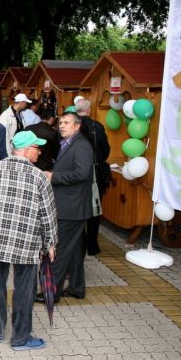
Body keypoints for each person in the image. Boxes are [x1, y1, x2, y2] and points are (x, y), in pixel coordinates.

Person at [0, 131, 57, 350]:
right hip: (27, 244)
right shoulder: (39, 177)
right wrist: (50, 243)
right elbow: (47, 214)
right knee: (24, 290)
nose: (39, 151)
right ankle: (20, 339)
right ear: (27, 150)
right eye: (37, 147)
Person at [37, 112, 93, 303]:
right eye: (60, 122)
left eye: (66, 123)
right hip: (71, 205)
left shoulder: (81, 146)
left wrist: (54, 177)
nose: (61, 126)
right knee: (75, 250)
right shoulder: (69, 143)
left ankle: (51, 292)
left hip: (71, 207)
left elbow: (82, 173)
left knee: (59, 251)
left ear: (77, 126)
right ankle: (77, 288)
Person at [76, 98, 111, 255]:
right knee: (95, 209)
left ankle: (78, 244)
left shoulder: (71, 126)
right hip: (95, 173)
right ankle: (92, 245)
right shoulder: (97, 126)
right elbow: (105, 150)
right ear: (89, 110)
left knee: (77, 208)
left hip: (76, 173)